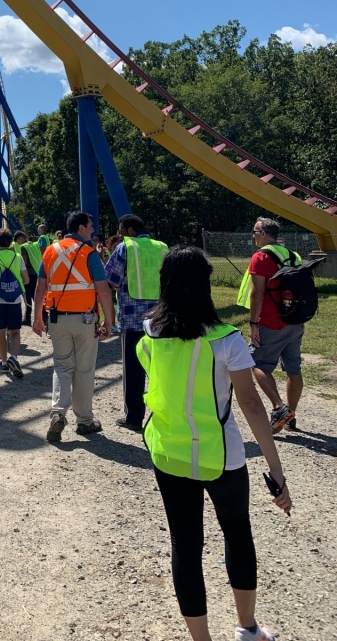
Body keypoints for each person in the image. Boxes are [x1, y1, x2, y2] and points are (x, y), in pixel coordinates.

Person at [138, 245, 291, 641]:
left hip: (168, 453)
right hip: (221, 457)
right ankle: (247, 628)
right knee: (237, 532)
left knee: (185, 546)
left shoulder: (151, 330)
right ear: (205, 286)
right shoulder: (226, 340)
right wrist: (276, 471)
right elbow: (253, 407)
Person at [32, 210, 114, 440]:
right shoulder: (89, 253)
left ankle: (58, 413)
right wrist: (109, 320)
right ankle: (85, 420)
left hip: (56, 319)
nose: (92, 231)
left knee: (62, 366)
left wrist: (37, 317)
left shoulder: (50, 250)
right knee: (85, 369)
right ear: (80, 228)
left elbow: (40, 288)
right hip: (85, 320)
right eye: (90, 226)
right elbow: (103, 291)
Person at [237, 217, 305, 433]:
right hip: (295, 320)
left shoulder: (261, 256)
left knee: (257, 364)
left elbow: (257, 294)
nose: (253, 236)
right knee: (293, 369)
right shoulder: (293, 256)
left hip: (270, 322)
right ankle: (291, 416)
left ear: (264, 233)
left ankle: (279, 408)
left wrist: (253, 323)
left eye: (255, 232)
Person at [104, 214, 168, 432]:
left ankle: (134, 417)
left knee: (133, 370)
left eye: (121, 230)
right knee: (160, 368)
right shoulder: (162, 247)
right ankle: (164, 415)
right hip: (160, 318)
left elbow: (111, 279)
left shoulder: (125, 248)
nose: (119, 234)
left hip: (132, 318)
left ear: (131, 230)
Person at [0, 227, 30, 377]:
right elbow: (26, 279)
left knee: (1, 332)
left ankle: (4, 362)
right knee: (15, 332)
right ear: (11, 241)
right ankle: (14, 358)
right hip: (15, 299)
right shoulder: (18, 257)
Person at [15, 231, 42, 326]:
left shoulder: (23, 247)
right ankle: (43, 315)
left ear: (19, 238)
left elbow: (24, 262)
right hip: (37, 273)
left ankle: (27, 318)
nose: (18, 244)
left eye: (17, 241)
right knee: (36, 297)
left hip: (28, 274)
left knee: (27, 297)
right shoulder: (34, 245)